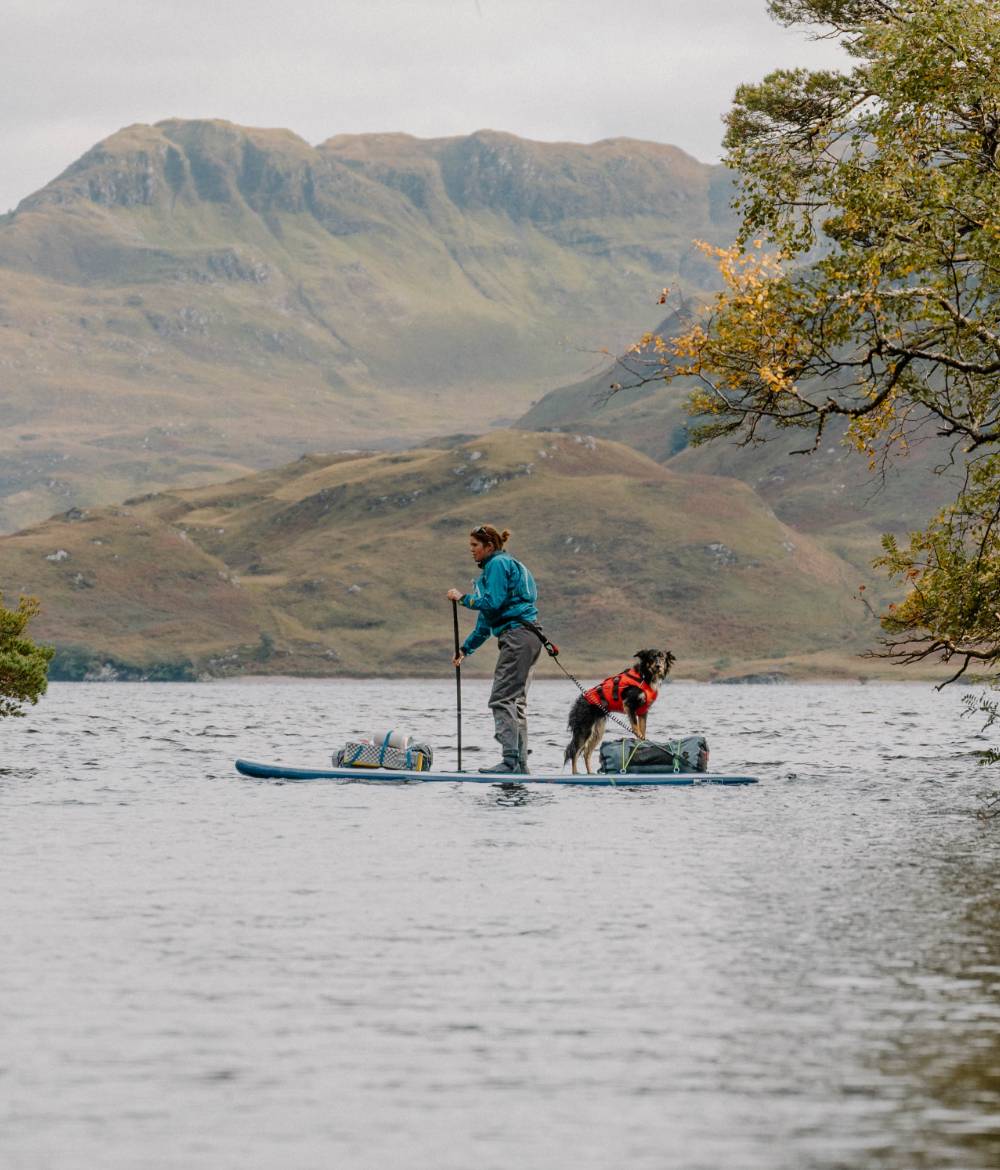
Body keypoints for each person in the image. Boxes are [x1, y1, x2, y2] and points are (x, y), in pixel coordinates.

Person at [447, 524, 543, 774]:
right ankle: (520, 765)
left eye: (475, 545)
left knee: (502, 698)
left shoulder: (497, 564)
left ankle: (510, 762)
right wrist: (465, 650)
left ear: (489, 546)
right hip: (529, 636)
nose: (471, 550)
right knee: (516, 701)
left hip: (517, 636)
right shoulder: (496, 569)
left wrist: (462, 598)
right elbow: (485, 622)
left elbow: (492, 602)